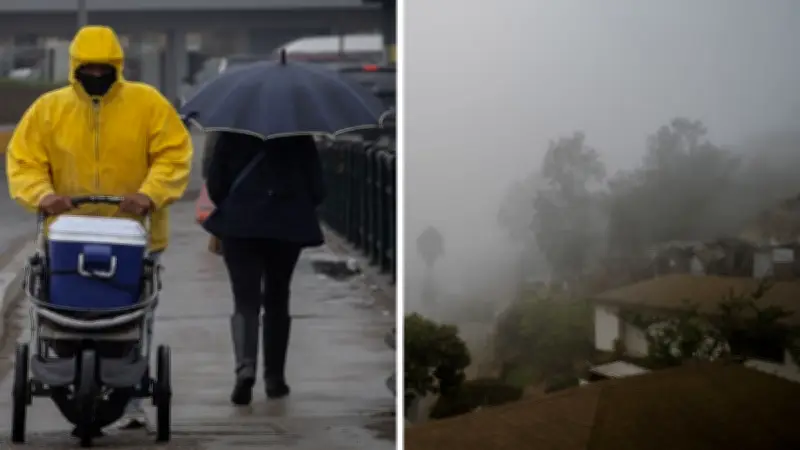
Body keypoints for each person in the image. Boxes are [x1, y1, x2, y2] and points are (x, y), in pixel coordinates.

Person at [6, 25, 192, 431]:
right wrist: (43, 195)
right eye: (88, 69)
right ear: (75, 68)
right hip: (67, 237)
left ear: (117, 67)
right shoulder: (49, 109)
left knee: (132, 318)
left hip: (133, 234)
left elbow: (173, 155)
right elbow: (25, 160)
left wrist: (149, 194)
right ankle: (67, 369)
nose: (95, 75)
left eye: (103, 68)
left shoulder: (147, 105)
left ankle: (131, 400)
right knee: (63, 313)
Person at [203, 132, 325, 405]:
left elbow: (216, 186)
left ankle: (245, 368)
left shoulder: (231, 135)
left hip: (240, 225)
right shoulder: (299, 136)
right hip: (287, 226)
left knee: (245, 299)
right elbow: (318, 189)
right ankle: (275, 378)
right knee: (278, 298)